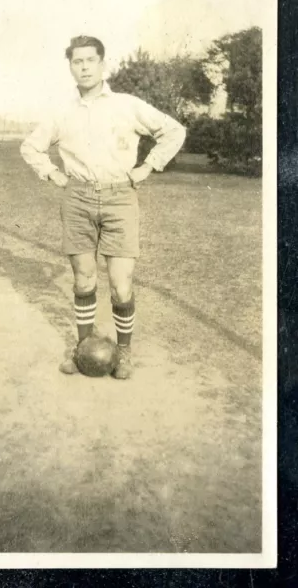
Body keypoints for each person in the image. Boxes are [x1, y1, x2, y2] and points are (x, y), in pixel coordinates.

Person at [20, 35, 186, 379]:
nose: (84, 67)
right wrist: (52, 173)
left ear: (102, 64)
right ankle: (83, 349)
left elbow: (174, 131)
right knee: (83, 280)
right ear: (70, 67)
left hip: (120, 197)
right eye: (77, 61)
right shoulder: (60, 112)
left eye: (90, 60)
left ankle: (123, 352)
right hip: (77, 198)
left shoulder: (127, 105)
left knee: (121, 284)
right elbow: (30, 148)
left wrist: (148, 166)